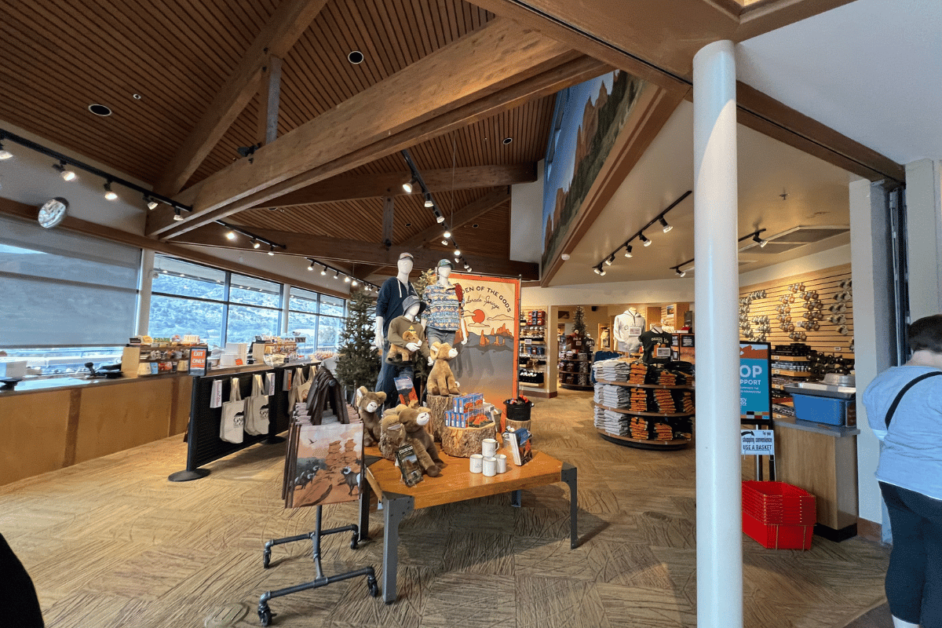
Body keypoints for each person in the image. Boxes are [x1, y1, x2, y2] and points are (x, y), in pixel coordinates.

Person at [862, 314, 942, 628]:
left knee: (907, 554)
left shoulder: (882, 380)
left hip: (894, 483)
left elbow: (883, 435)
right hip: (936, 488)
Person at [373, 252, 417, 407]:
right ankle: (381, 412)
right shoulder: (390, 283)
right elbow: (380, 306)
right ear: (398, 264)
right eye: (403, 262)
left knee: (404, 375)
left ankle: (394, 411)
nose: (407, 265)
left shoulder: (412, 288)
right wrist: (378, 332)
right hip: (391, 337)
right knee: (387, 378)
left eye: (410, 263)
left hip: (406, 340)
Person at [422, 259, 468, 348]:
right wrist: (420, 333)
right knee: (437, 357)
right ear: (438, 270)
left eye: (448, 268)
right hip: (434, 330)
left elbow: (461, 312)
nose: (446, 270)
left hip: (450, 332)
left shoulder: (457, 290)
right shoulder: (430, 289)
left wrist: (464, 334)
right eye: (443, 268)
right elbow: (425, 312)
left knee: (445, 358)